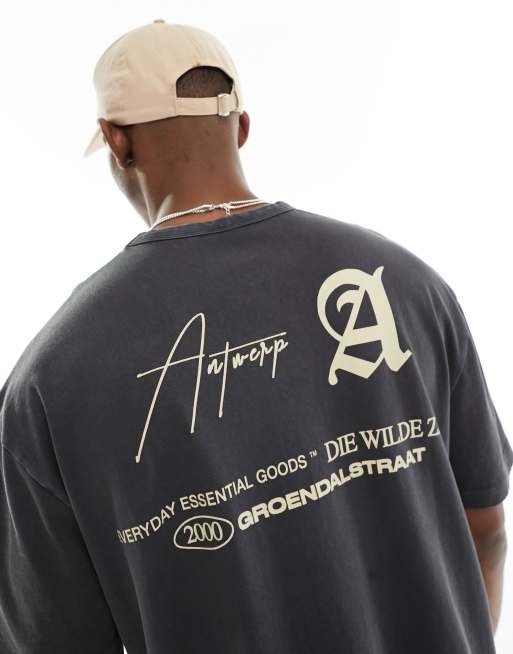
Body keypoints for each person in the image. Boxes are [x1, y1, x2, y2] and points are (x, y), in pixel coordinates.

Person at [0, 18, 511, 654]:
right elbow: (486, 529)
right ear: (241, 126)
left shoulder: (49, 382)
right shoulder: (404, 282)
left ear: (117, 141)